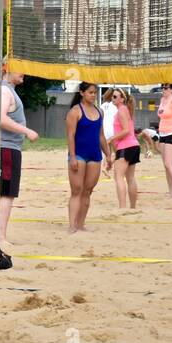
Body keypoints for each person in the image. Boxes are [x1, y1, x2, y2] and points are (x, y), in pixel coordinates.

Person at [0, 61, 39, 245]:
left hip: (9, 147)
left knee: (6, 193)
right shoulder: (5, 90)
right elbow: (1, 118)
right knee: (6, 193)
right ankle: (0, 237)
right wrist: (26, 131)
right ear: (7, 67)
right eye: (20, 66)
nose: (25, 71)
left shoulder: (8, 89)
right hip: (7, 148)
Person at [65, 82, 104, 233]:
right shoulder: (75, 111)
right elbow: (70, 136)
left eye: (95, 93)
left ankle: (80, 224)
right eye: (90, 92)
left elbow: (100, 135)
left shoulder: (100, 111)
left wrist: (108, 154)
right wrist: (73, 157)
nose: (93, 95)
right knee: (76, 190)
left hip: (95, 155)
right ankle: (71, 225)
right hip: (79, 154)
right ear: (82, 93)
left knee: (87, 191)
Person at [107, 88, 140, 210]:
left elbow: (126, 130)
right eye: (113, 96)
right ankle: (132, 208)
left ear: (122, 99)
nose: (112, 98)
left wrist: (111, 138)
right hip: (133, 146)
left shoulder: (121, 110)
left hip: (126, 146)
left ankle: (122, 208)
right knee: (130, 178)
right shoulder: (126, 110)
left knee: (119, 177)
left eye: (115, 97)